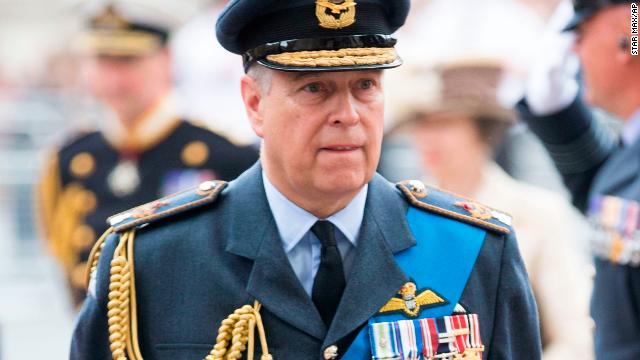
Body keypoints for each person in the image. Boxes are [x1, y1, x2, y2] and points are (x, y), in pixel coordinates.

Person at [71, 1, 541, 359]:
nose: (348, 116)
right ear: (255, 104)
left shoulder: (475, 249)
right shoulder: (153, 261)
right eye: (314, 88)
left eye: (366, 86)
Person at [37, 0, 258, 306]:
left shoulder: (224, 155)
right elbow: (65, 257)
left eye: (129, 61)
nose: (114, 78)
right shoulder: (71, 158)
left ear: (165, 60)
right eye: (103, 60)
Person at [387, 61, 593, 359]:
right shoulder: (397, 213)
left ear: (482, 131)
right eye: (422, 125)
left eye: (444, 124)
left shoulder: (539, 214)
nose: (428, 139)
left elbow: (573, 338)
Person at [518, 0, 640, 358]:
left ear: (625, 35)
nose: (573, 49)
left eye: (581, 33)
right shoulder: (626, 156)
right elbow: (545, 91)